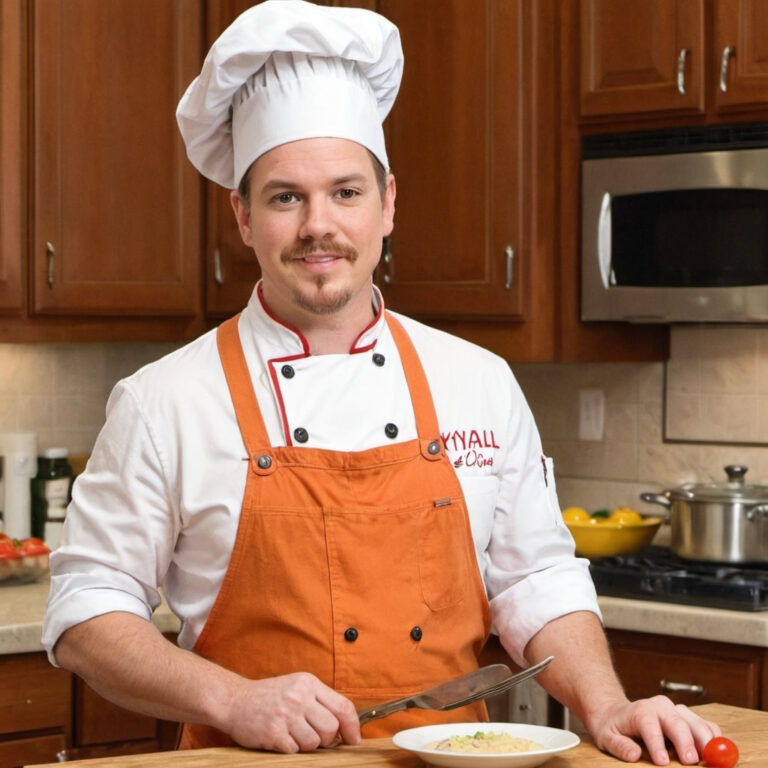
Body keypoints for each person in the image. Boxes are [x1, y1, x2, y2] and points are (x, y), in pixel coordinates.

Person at [43, 1, 721, 763]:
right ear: (241, 215)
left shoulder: (479, 382)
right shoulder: (164, 401)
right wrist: (231, 698)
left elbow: (536, 581)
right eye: (285, 196)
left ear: (388, 203)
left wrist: (607, 705)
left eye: (345, 192)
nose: (317, 227)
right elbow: (84, 614)